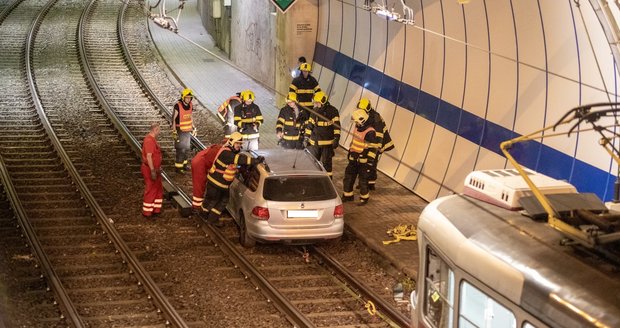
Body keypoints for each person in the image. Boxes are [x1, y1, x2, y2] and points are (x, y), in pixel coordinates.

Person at [201, 132, 264, 226]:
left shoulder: (228, 152)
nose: (239, 146)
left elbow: (234, 164)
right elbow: (239, 159)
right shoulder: (226, 153)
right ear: (231, 142)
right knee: (213, 200)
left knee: (221, 201)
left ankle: (209, 218)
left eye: (240, 144)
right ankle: (205, 217)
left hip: (221, 184)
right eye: (237, 143)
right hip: (216, 184)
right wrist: (255, 161)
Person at [356, 98, 395, 190]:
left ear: (367, 109)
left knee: (372, 163)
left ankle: (370, 184)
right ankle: (363, 182)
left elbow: (379, 134)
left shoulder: (375, 117)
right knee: (363, 163)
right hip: (368, 143)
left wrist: (377, 147)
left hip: (377, 143)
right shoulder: (364, 115)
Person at [342, 110, 379, 205]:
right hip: (354, 159)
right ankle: (348, 196)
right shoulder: (357, 128)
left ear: (362, 120)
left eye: (357, 121)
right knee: (348, 178)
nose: (355, 123)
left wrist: (370, 161)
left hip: (364, 161)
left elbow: (373, 148)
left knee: (363, 180)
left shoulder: (370, 132)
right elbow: (354, 141)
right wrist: (350, 152)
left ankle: (364, 198)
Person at [304, 91, 340, 178]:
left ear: (323, 101)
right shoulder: (314, 111)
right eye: (315, 102)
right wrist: (306, 137)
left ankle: (328, 181)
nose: (316, 104)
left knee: (327, 164)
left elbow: (337, 127)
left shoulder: (333, 111)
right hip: (315, 143)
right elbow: (310, 126)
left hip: (327, 144)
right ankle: (314, 180)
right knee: (313, 163)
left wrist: (336, 139)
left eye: (317, 102)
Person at [191, 138, 227, 212]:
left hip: (201, 160)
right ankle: (197, 207)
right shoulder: (222, 152)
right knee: (200, 185)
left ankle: (198, 205)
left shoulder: (220, 149)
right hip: (200, 163)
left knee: (200, 185)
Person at [172, 88, 197, 173]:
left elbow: (190, 116)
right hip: (180, 130)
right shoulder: (177, 106)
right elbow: (173, 119)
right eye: (187, 97)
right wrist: (174, 131)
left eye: (190, 97)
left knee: (186, 149)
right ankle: (178, 168)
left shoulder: (190, 105)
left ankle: (184, 165)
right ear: (183, 97)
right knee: (180, 149)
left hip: (187, 131)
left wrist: (193, 127)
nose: (188, 99)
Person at [141, 122, 164, 217]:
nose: (160, 131)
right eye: (159, 129)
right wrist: (152, 170)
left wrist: (157, 167)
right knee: (151, 188)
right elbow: (149, 156)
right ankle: (147, 212)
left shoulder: (152, 140)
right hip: (150, 169)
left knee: (158, 188)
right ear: (155, 129)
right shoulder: (149, 141)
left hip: (155, 168)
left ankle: (156, 209)